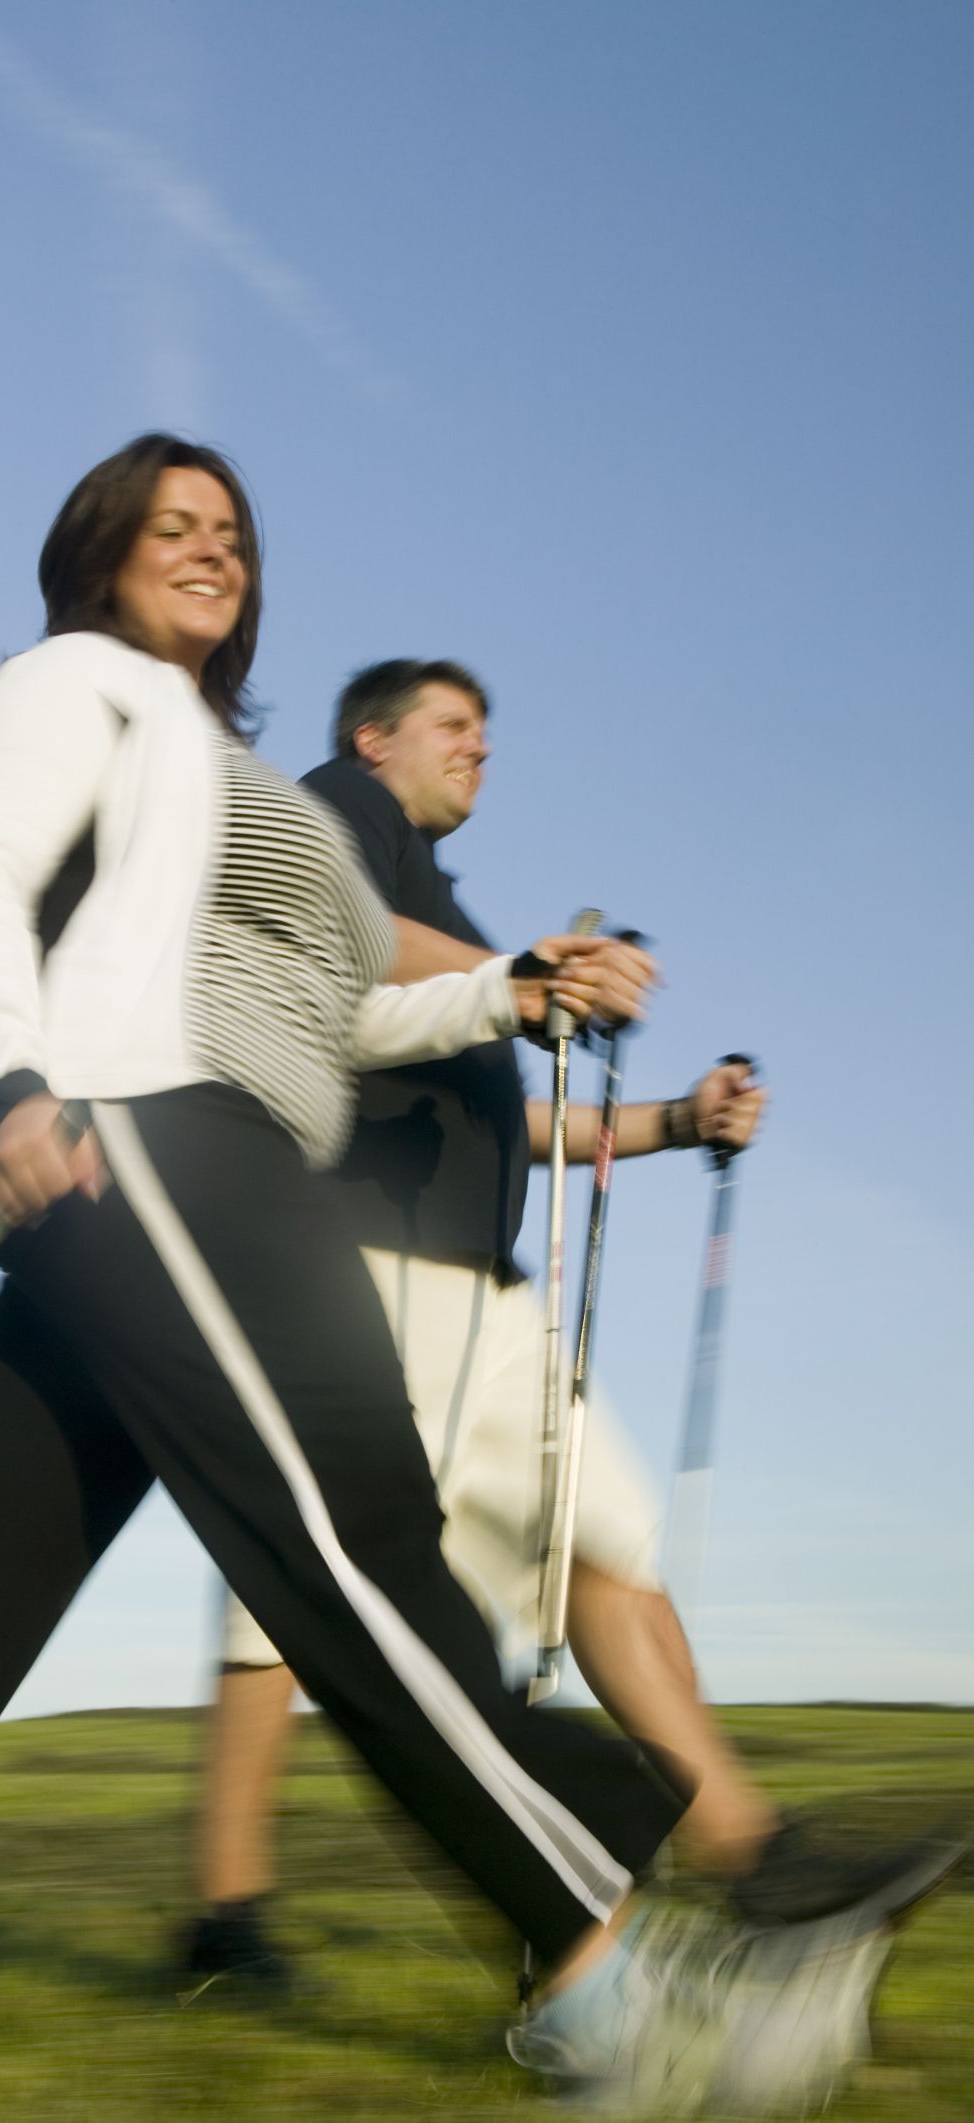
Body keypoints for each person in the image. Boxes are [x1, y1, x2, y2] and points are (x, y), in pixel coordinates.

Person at [0, 437, 932, 2114]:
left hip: (218, 1148)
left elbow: (333, 1016)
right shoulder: (75, 682)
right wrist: (15, 1083)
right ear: (101, 553)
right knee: (354, 1537)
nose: (208, 550)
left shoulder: (225, 766)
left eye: (231, 534)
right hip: (142, 1140)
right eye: (171, 526)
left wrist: (508, 993)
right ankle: (606, 1985)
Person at [180, 659, 819, 1993]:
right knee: (306, 1606)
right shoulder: (337, 809)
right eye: (454, 727)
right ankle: (227, 1913)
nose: (480, 751)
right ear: (376, 735)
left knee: (609, 1545)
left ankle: (751, 1860)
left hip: (487, 1287)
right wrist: (527, 973)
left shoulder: (446, 902)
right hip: (359, 1270)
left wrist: (674, 1123)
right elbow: (328, 937)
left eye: (487, 735)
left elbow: (507, 1119)